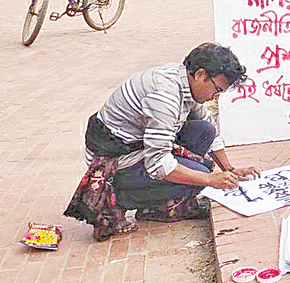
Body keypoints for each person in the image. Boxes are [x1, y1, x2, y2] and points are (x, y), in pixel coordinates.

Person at [64, 43, 260, 241]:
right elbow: (158, 164)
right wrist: (209, 180)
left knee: (204, 131)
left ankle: (157, 206)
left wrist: (229, 168)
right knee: (199, 176)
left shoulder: (186, 81)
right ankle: (118, 200)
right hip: (113, 161)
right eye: (216, 89)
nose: (214, 97)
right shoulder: (164, 95)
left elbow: (209, 127)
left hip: (139, 145)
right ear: (201, 75)